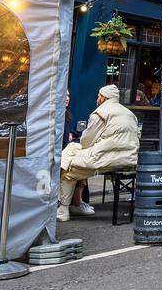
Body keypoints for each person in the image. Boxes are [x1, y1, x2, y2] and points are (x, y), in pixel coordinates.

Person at [58, 85, 141, 221]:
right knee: (73, 150)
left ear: (103, 97)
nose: (97, 99)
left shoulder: (100, 113)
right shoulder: (130, 114)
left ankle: (63, 210)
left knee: (68, 171)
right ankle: (77, 204)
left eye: (98, 96)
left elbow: (86, 141)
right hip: (129, 159)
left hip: (105, 159)